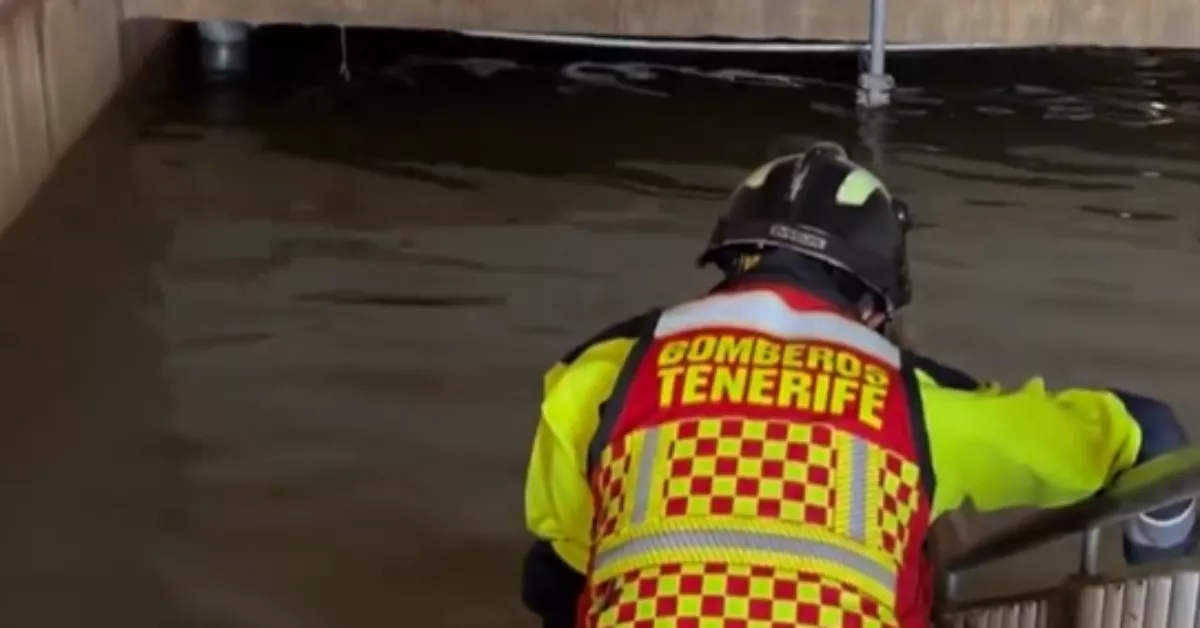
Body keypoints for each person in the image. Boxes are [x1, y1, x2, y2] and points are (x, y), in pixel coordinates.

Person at [520, 142, 1196, 628]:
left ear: (727, 262)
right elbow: (1152, 435)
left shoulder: (602, 374)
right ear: (875, 305)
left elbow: (562, 570)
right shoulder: (918, 401)